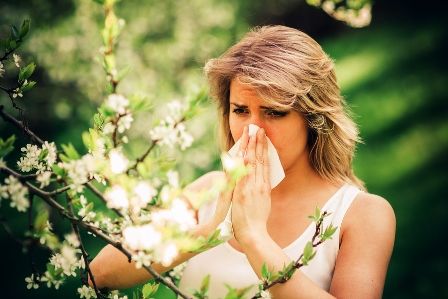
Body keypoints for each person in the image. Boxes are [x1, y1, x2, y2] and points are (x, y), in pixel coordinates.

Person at [89, 25, 395, 298]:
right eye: (240, 110)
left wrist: (254, 238)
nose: (253, 129)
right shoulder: (208, 191)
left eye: (274, 112)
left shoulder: (362, 214)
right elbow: (99, 273)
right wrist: (209, 232)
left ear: (313, 119)